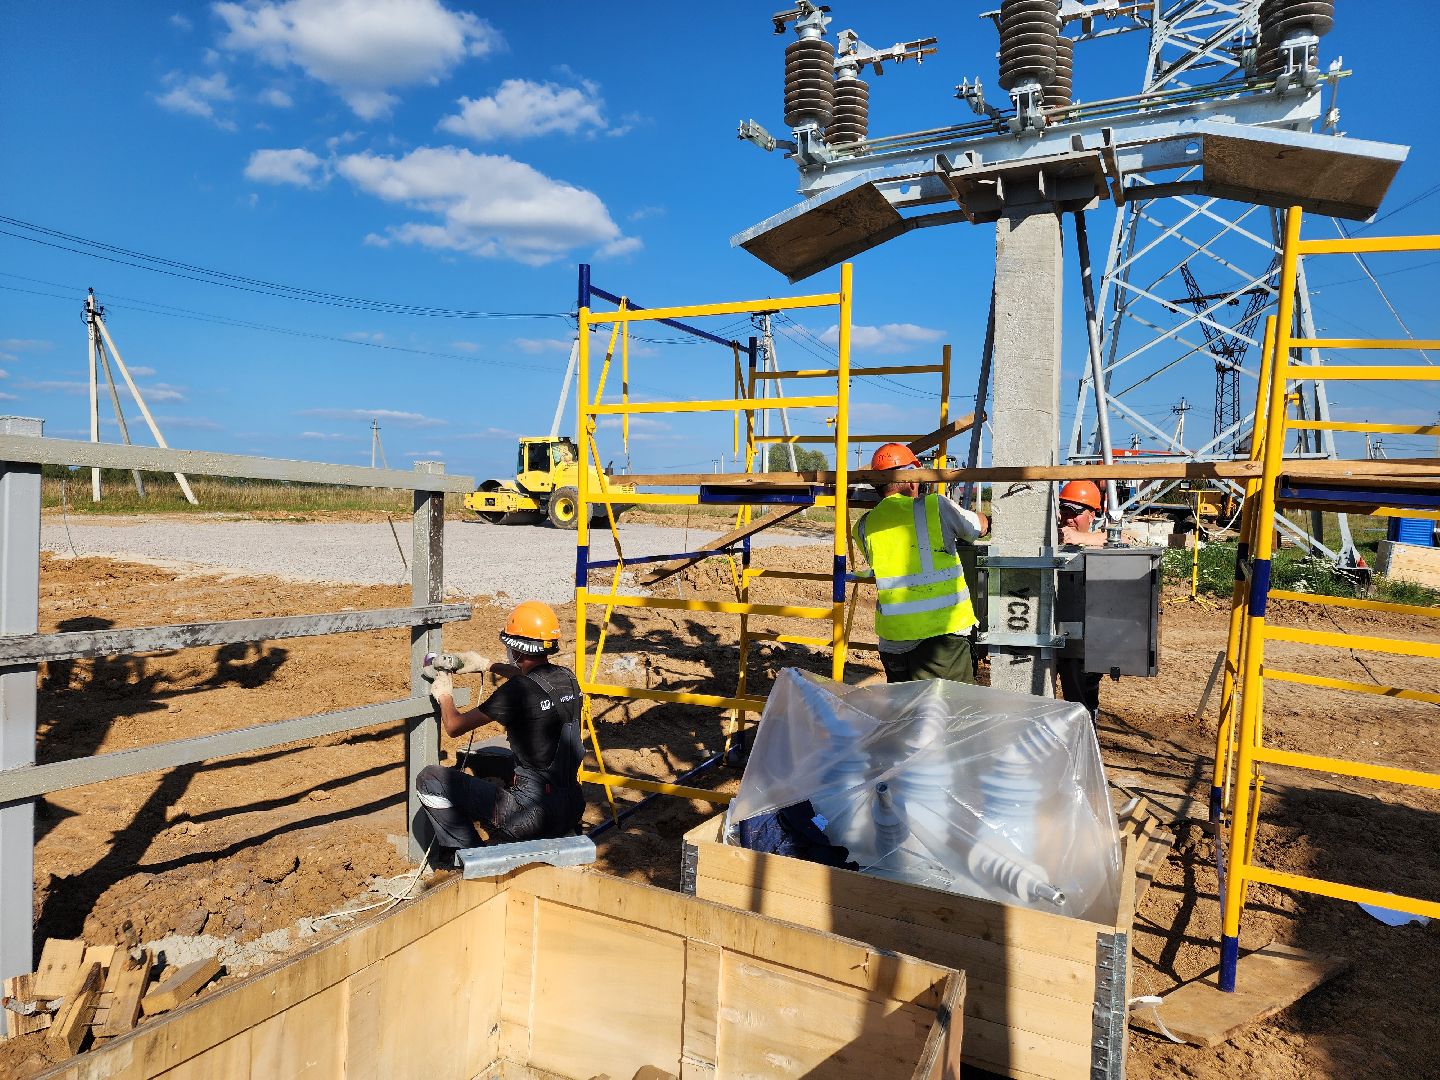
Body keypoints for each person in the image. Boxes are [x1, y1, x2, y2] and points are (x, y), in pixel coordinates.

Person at [416, 600, 585, 860]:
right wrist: (486, 665)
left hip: (531, 817)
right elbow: (531, 680)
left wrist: (445, 695)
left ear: (516, 648)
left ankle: (469, 855)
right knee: (510, 765)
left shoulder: (516, 692)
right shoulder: (568, 678)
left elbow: (454, 726)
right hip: (571, 807)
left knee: (430, 779)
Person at [853, 442, 990, 683]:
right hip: (942, 639)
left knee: (907, 706)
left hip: (893, 643)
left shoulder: (863, 526)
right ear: (911, 480)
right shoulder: (935, 507)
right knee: (951, 706)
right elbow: (977, 528)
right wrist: (983, 517)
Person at [1054, 480, 1144, 718]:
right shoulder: (1054, 534)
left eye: (1074, 512)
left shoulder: (1101, 537)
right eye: (1064, 511)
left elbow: (1129, 540)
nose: (1068, 518)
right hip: (1053, 630)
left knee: (1081, 700)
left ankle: (1087, 733)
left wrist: (1081, 538)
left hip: (1085, 639)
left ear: (1092, 515)